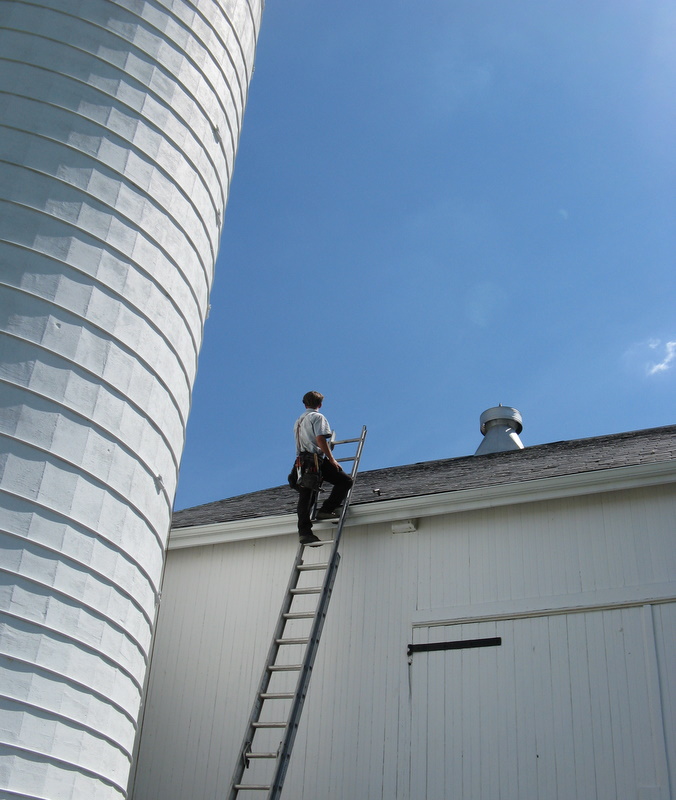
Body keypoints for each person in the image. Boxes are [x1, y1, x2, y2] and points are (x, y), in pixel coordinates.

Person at [293, 391, 353, 545]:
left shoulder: (298, 421)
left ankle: (305, 532)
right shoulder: (318, 417)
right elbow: (320, 439)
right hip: (314, 460)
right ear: (320, 404)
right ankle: (325, 510)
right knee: (345, 481)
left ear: (304, 403)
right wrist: (332, 459)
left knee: (307, 496)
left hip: (302, 461)